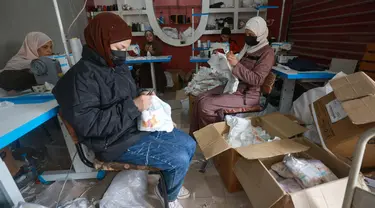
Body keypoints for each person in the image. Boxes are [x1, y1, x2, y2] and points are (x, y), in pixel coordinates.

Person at [52, 13, 195, 208]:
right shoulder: (79, 79)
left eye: (126, 48)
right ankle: (169, 198)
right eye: (119, 48)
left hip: (133, 128)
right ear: (101, 42)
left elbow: (126, 93)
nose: (123, 54)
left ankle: (165, 186)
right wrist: (134, 105)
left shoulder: (115, 65)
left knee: (188, 144)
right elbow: (91, 126)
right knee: (178, 159)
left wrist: (145, 98)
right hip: (112, 143)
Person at [190, 17, 275, 134]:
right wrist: (226, 60)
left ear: (261, 34)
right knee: (200, 97)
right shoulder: (248, 47)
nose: (248, 36)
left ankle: (212, 138)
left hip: (248, 96)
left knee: (206, 105)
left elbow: (257, 80)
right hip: (234, 87)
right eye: (246, 33)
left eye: (251, 34)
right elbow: (238, 64)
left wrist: (236, 64)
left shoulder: (267, 53)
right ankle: (196, 136)